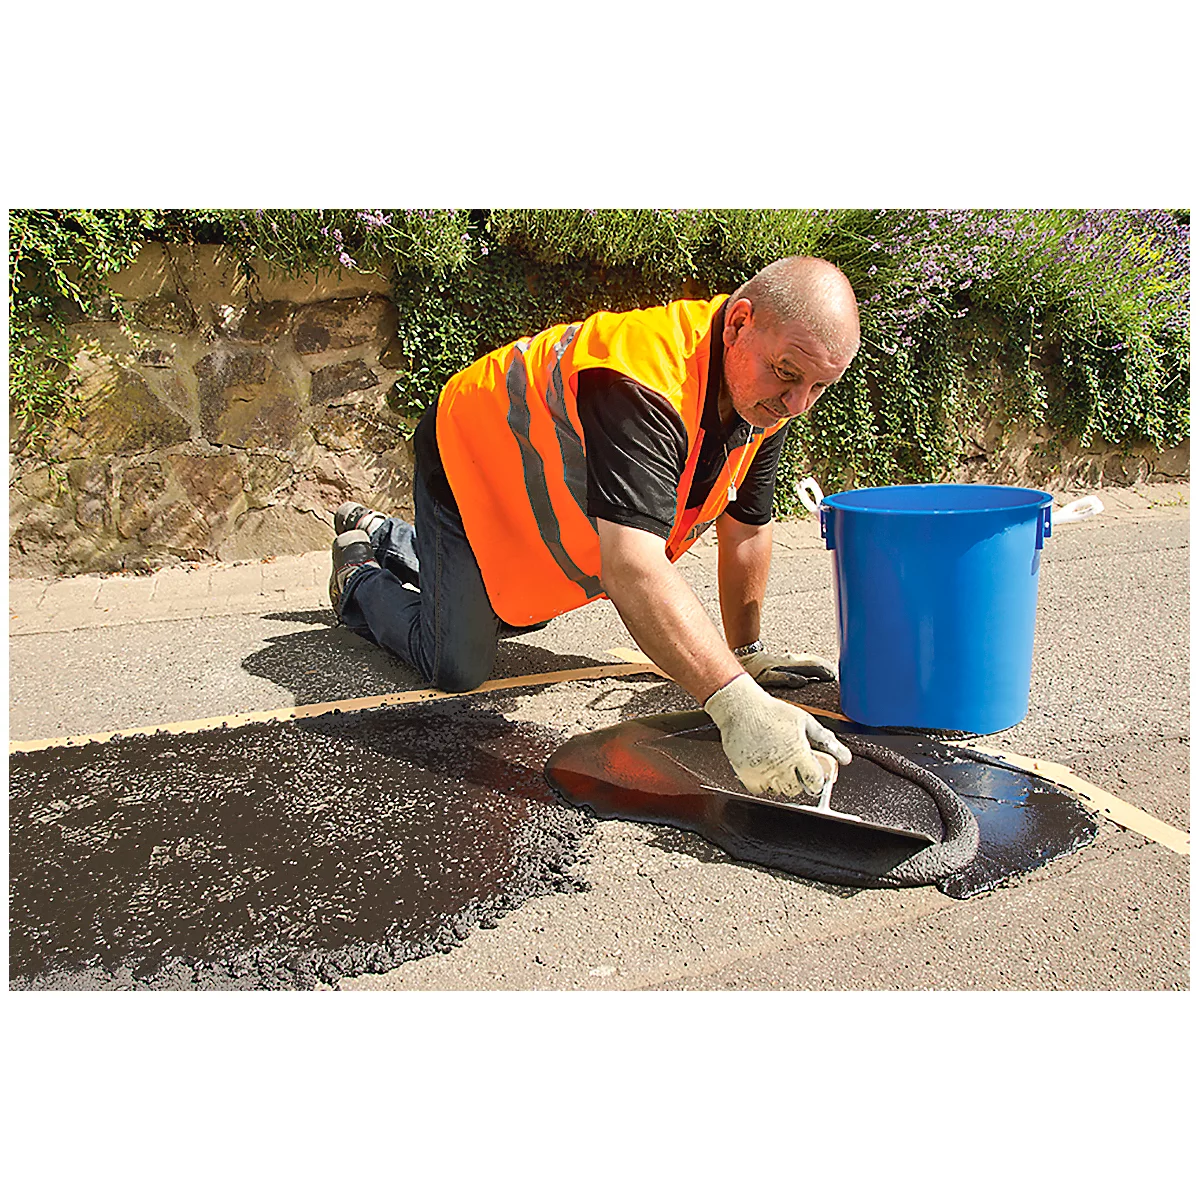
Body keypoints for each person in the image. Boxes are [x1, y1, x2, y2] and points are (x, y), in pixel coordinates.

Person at [329, 256, 860, 799]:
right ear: (739, 322)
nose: (798, 403)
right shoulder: (643, 380)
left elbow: (746, 526)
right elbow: (632, 566)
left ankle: (393, 537)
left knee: (521, 606)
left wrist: (746, 653)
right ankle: (358, 574)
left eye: (820, 387)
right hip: (466, 458)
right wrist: (735, 703)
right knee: (456, 663)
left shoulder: (762, 398)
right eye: (790, 374)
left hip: (516, 501)